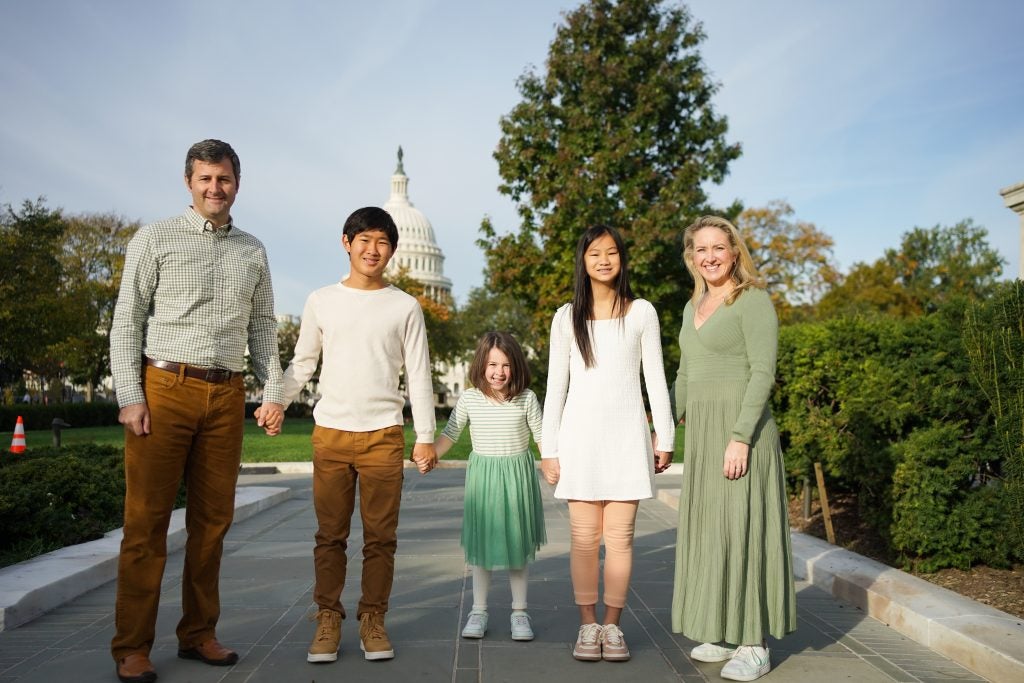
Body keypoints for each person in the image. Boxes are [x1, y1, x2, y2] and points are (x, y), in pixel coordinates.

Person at [109, 139, 285, 683]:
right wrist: (129, 396)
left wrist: (272, 391)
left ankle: (198, 634)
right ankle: (132, 646)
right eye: (206, 179)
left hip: (226, 395)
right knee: (147, 524)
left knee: (212, 524)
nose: (216, 188)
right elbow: (127, 320)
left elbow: (262, 330)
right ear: (189, 181)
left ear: (237, 183)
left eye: (225, 179)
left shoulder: (252, 250)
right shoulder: (154, 239)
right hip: (164, 389)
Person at [279, 206, 437, 665]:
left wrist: (424, 435)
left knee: (380, 538)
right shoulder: (321, 300)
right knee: (330, 535)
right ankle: (328, 617)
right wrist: (278, 401)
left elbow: (420, 375)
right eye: (364, 239)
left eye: (382, 242)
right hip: (330, 434)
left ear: (392, 250)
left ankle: (373, 618)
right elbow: (304, 363)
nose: (373, 249)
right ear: (346, 242)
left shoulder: (405, 306)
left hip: (383, 436)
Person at [670, 215, 797, 681]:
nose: (709, 257)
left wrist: (740, 437)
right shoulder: (692, 306)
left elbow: (762, 373)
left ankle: (754, 643)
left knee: (744, 531)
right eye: (700, 250)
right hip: (703, 439)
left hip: (741, 436)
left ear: (734, 251)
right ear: (691, 258)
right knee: (713, 531)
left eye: (718, 248)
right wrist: (663, 429)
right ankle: (725, 630)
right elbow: (685, 373)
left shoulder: (753, 301)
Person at [541, 224, 675, 663]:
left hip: (625, 440)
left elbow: (655, 377)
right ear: (583, 260)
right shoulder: (566, 317)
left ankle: (613, 627)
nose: (604, 260)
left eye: (612, 252)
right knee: (583, 539)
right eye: (595, 253)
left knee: (620, 539)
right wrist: (549, 448)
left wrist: (665, 434)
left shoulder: (642, 313)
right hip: (578, 440)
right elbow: (555, 386)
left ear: (622, 260)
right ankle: (587, 625)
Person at [428, 331, 546, 642]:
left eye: (506, 365)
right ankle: (478, 610)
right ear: (481, 365)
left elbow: (542, 437)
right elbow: (450, 434)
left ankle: (519, 612)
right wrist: (430, 455)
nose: (498, 372)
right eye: (492, 364)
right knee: (481, 548)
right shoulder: (469, 398)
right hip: (484, 478)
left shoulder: (527, 398)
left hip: (517, 476)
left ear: (516, 367)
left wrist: (552, 462)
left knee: (517, 546)